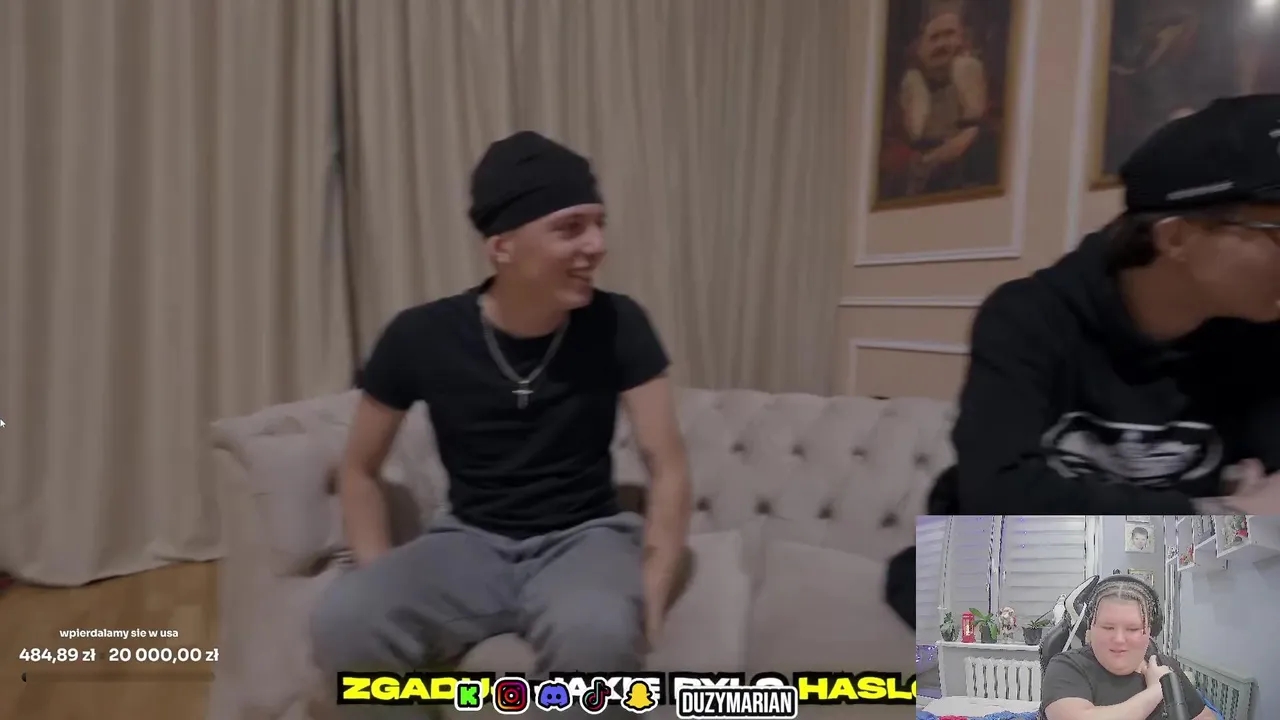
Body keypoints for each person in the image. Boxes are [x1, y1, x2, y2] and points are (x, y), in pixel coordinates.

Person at [310, 131, 693, 717]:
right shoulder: (421, 335)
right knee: (345, 619)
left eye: (599, 224)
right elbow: (358, 470)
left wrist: (653, 601)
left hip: (585, 538)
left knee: (595, 636)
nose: (596, 245)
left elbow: (668, 468)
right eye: (570, 228)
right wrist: (379, 575)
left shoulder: (620, 322)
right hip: (469, 540)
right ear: (502, 247)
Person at [932, 94, 1280, 515]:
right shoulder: (1028, 318)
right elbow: (996, 500)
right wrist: (1217, 516)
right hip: (987, 554)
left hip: (1182, 558)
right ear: (1175, 238)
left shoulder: (1257, 329)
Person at [1041, 578, 1213, 720]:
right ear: (1091, 627)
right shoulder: (1066, 666)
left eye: (1133, 629)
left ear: (1150, 631)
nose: (1119, 639)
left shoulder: (1165, 667)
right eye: (1108, 627)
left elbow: (1205, 716)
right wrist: (1155, 691)